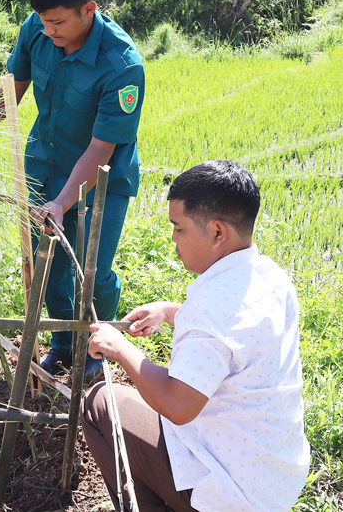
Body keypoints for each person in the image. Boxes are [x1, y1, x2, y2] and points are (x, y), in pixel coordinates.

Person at [81, 160, 310, 512]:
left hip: (229, 492)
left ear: (218, 232)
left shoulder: (212, 306)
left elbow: (178, 405)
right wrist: (169, 311)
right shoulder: (270, 277)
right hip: (274, 477)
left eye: (179, 228)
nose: (173, 238)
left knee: (99, 401)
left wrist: (121, 349)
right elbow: (232, 332)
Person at [4, 0, 145, 378]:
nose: (48, 31)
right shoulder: (38, 28)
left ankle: (97, 350)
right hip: (43, 167)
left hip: (101, 181)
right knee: (47, 267)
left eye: (58, 23)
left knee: (92, 272)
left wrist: (63, 202)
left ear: (89, 8)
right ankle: (64, 342)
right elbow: (11, 91)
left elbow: (100, 149)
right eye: (43, 21)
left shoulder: (121, 65)